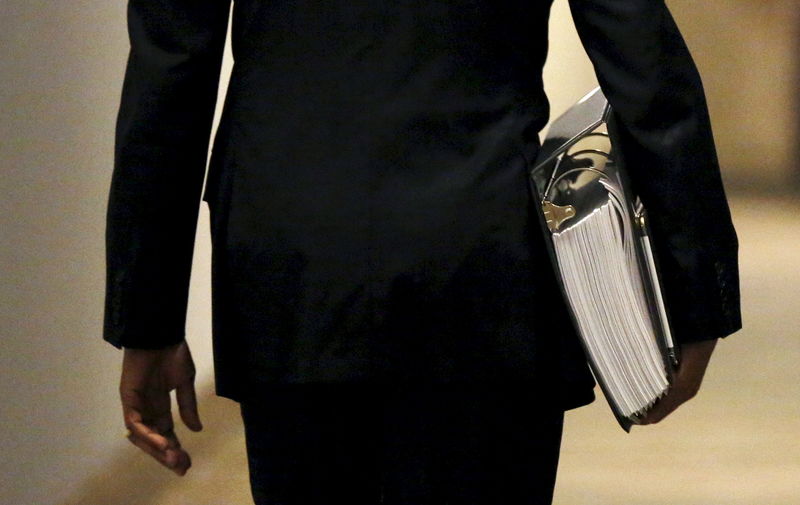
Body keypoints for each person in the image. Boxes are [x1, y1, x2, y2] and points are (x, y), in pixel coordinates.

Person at [104, 0, 742, 503]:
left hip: (293, 265)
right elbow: (646, 66)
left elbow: (171, 68)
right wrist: (694, 293)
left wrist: (148, 315)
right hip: (484, 255)